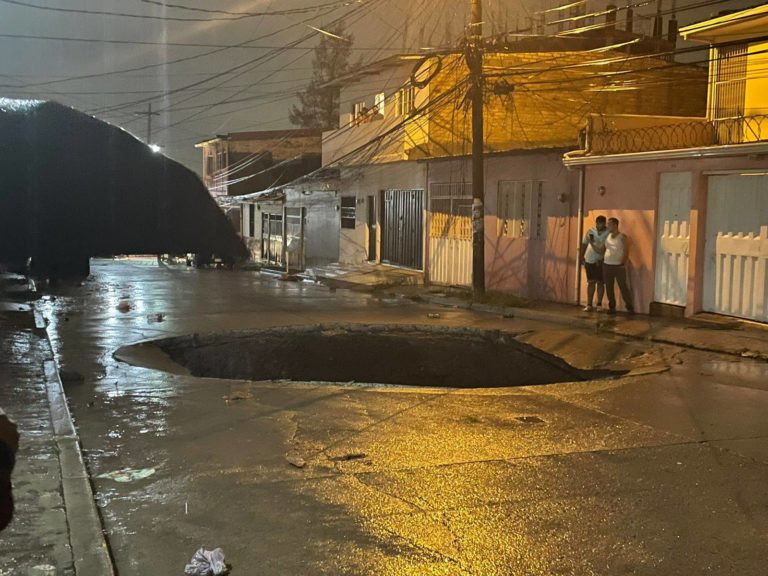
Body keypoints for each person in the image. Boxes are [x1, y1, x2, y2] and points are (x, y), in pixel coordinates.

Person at [602, 217, 634, 315]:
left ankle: (629, 307)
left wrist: (623, 263)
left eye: (609, 224)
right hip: (607, 264)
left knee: (623, 286)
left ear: (615, 225)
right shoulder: (607, 236)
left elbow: (626, 251)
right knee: (609, 287)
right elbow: (605, 248)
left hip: (618, 266)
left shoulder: (622, 237)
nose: (607, 226)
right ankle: (612, 307)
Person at [580, 215, 609, 312]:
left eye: (602, 223)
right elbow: (584, 244)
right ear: (596, 223)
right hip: (590, 259)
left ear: (604, 223)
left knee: (600, 283)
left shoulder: (608, 233)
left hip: (601, 260)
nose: (600, 225)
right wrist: (581, 257)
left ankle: (599, 304)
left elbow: (605, 249)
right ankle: (589, 304)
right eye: (598, 223)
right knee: (591, 282)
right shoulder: (591, 231)